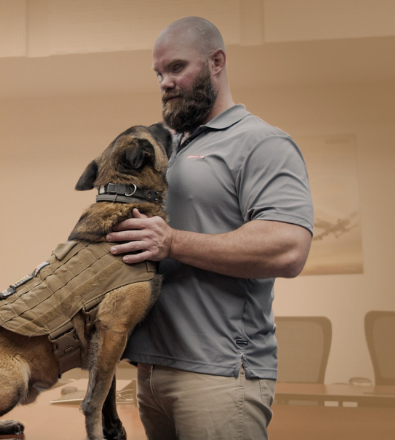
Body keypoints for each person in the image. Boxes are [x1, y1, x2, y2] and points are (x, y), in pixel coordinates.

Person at [107, 17, 314, 440]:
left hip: (218, 374)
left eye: (177, 67)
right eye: (158, 73)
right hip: (152, 371)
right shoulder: (169, 150)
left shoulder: (261, 142)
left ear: (216, 62)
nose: (165, 82)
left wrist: (172, 242)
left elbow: (289, 248)